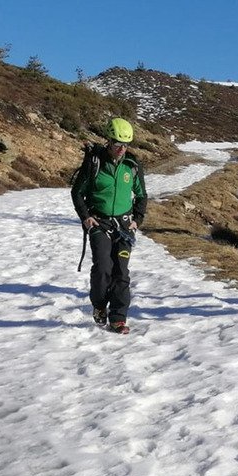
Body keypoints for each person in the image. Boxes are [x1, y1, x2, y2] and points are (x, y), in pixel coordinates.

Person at [70, 118, 147, 334]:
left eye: (126, 145)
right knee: (103, 269)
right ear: (108, 141)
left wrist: (137, 220)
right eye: (117, 145)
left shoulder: (132, 166)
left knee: (121, 272)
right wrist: (86, 217)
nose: (121, 149)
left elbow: (142, 196)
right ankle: (99, 305)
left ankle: (118, 318)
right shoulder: (95, 163)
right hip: (99, 223)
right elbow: (77, 193)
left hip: (124, 226)